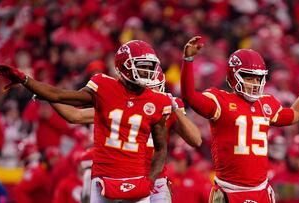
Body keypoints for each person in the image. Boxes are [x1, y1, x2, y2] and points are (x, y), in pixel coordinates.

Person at [0, 40, 173, 203]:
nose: (147, 71)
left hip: (136, 179)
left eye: (150, 66)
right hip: (104, 177)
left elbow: (161, 148)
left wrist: (149, 181)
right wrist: (25, 80)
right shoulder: (104, 87)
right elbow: (62, 99)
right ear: (124, 65)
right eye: (142, 66)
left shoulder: (158, 101)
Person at [180, 36, 299, 203]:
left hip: (261, 190)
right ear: (233, 76)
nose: (255, 83)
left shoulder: (266, 103)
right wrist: (188, 60)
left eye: (258, 78)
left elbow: (296, 113)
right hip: (230, 190)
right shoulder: (221, 101)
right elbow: (190, 96)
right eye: (249, 77)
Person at [48, 66, 202, 203]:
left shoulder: (166, 108)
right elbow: (76, 116)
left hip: (156, 180)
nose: (148, 92)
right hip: (125, 178)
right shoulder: (122, 106)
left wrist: (174, 108)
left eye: (151, 88)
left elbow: (196, 140)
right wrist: (49, 96)